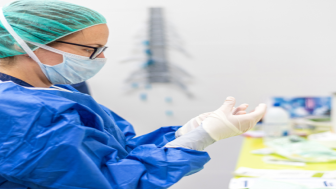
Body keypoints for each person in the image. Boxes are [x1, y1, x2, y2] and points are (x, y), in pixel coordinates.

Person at [0, 0, 267, 188]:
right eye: (91, 50)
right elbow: (105, 182)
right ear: (27, 44)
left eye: (103, 48)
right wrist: (200, 139)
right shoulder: (21, 110)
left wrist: (182, 135)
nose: (101, 58)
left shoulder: (52, 90)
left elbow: (116, 153)